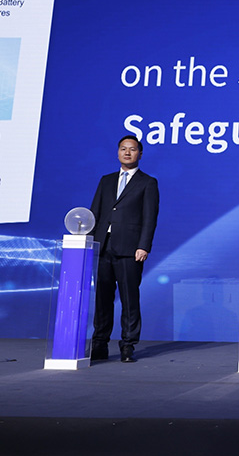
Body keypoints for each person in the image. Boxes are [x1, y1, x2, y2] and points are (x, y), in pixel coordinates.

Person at [90, 135, 160, 363]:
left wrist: (143, 246)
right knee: (102, 298)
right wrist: (90, 242)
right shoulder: (106, 180)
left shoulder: (148, 183)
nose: (127, 153)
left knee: (129, 299)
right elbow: (95, 213)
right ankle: (99, 344)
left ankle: (128, 345)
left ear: (140, 153)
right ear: (118, 152)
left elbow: (149, 218)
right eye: (123, 149)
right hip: (104, 247)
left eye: (132, 149)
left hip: (130, 249)